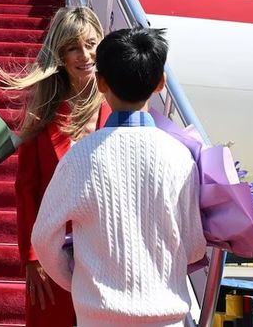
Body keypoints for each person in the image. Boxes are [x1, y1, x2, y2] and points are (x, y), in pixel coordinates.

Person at [32, 27, 206, 327]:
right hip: (167, 319)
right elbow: (194, 246)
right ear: (160, 83)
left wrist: (75, 279)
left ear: (100, 83)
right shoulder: (180, 156)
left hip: (98, 317)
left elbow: (43, 237)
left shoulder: (80, 157)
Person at [0, 6, 111, 327]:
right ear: (60, 55)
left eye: (90, 43)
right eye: (72, 47)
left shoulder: (119, 109)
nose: (84, 55)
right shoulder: (43, 115)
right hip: (55, 259)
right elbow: (26, 192)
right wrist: (32, 258)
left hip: (109, 258)